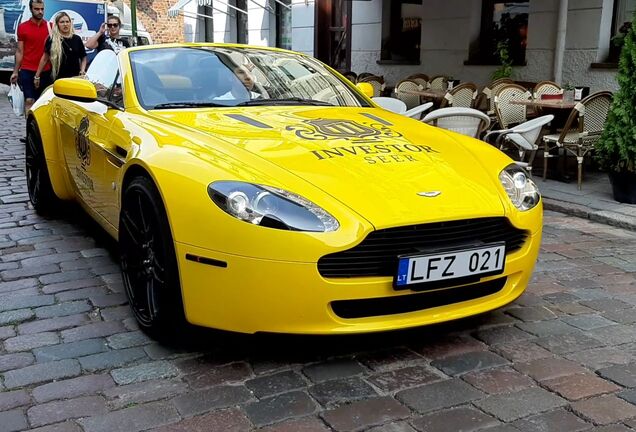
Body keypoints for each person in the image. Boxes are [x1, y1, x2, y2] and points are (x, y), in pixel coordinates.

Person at [10, 0, 52, 116]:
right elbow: (19, 51)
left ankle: (38, 130)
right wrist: (15, 72)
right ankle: (30, 131)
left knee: (42, 102)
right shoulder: (23, 27)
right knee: (29, 100)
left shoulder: (50, 27)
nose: (40, 12)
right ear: (31, 9)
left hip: (46, 70)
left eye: (42, 9)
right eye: (37, 9)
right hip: (27, 69)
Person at [34, 12, 87, 86]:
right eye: (62, 22)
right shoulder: (52, 39)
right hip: (57, 79)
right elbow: (45, 58)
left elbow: (83, 57)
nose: (65, 24)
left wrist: (82, 70)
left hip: (74, 79)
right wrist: (37, 76)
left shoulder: (77, 39)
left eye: (67, 22)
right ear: (57, 24)